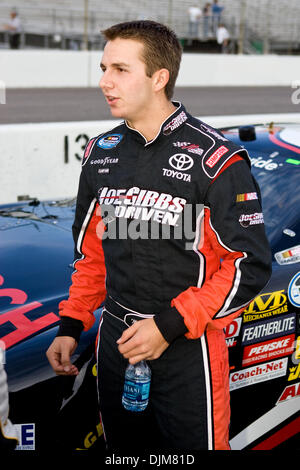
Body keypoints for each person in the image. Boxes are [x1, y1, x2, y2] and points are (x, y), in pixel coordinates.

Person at [46, 20, 272, 451]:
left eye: (120, 70)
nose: (104, 82)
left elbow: (249, 266)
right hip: (116, 341)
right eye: (103, 68)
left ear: (159, 78)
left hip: (189, 346)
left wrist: (168, 326)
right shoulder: (100, 153)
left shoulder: (215, 159)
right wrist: (71, 325)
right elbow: (92, 257)